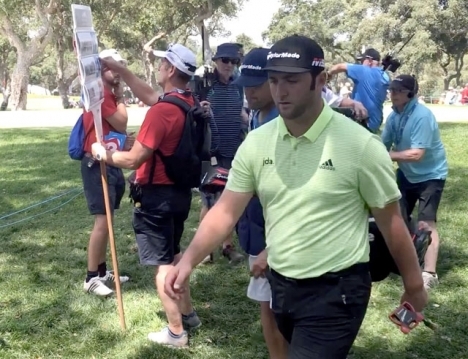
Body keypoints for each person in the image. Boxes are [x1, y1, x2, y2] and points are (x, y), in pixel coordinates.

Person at [165, 35, 428, 359]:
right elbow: (225, 212)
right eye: (274, 80)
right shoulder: (257, 143)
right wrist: (188, 260)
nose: (280, 91)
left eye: (292, 80)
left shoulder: (360, 146)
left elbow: (393, 224)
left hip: (338, 291)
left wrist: (414, 288)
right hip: (282, 286)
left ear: (320, 80)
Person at [92, 44, 202, 346]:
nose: (157, 68)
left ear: (168, 69)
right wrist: (123, 70)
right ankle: (189, 313)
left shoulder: (161, 112)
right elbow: (152, 97)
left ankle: (176, 332)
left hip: (156, 199)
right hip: (179, 195)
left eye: (161, 63)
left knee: (162, 266)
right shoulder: (186, 101)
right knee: (175, 254)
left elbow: (132, 159)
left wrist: (104, 153)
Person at [233, 47, 288, 359]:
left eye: (256, 83)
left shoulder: (283, 122)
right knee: (267, 303)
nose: (249, 90)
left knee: (274, 306)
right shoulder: (257, 115)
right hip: (257, 222)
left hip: (276, 229)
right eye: (246, 83)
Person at [381, 74, 448, 290]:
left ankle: (429, 273)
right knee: (398, 218)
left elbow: (417, 154)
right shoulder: (394, 116)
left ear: (410, 93)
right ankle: (404, 259)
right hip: (407, 174)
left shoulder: (422, 116)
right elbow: (383, 145)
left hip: (431, 175)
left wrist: (386, 156)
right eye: (392, 90)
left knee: (427, 223)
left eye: (398, 91)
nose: (393, 94)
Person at [81, 49, 130, 297]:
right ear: (102, 68)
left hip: (109, 160)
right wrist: (121, 97)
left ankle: (101, 271)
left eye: (121, 65)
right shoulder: (102, 93)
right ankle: (91, 277)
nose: (119, 70)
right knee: (102, 220)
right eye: (115, 66)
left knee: (108, 218)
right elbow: (121, 121)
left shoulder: (106, 92)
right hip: (96, 162)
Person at [199, 43, 246, 264]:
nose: (229, 65)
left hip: (234, 150)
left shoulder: (239, 86)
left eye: (234, 61)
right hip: (212, 151)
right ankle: (205, 248)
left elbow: (241, 111)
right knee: (209, 201)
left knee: (227, 200)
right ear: (216, 61)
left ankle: (227, 246)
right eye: (225, 60)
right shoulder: (205, 84)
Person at [328, 48, 390, 132]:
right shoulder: (385, 76)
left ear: (370, 60)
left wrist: (328, 74)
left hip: (362, 123)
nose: (360, 63)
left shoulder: (364, 71)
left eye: (362, 61)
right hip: (375, 121)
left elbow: (340, 66)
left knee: (330, 110)